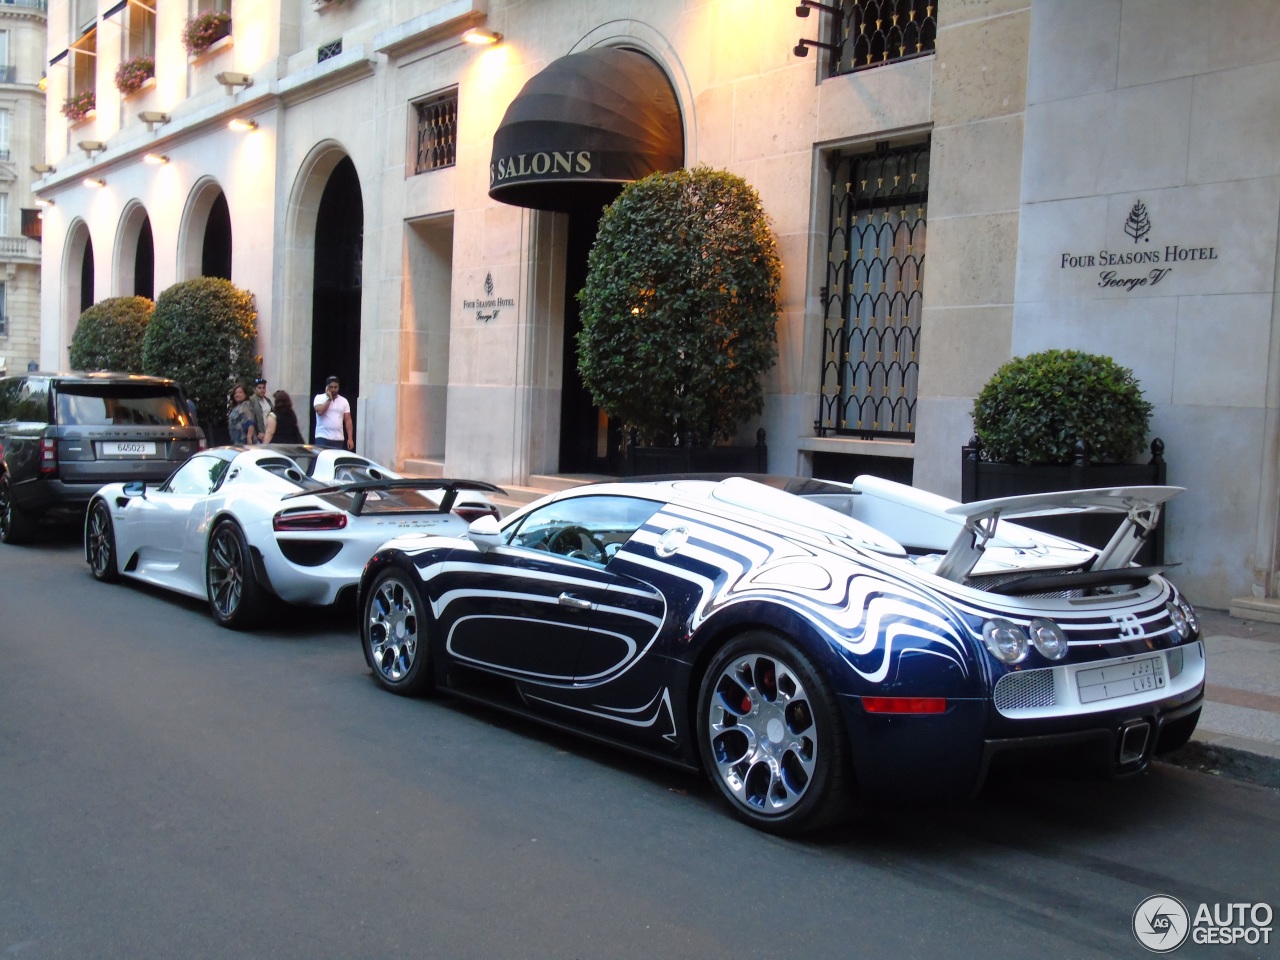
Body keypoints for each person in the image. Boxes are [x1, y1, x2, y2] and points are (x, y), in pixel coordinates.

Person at [313, 375, 353, 450]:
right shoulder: (319, 398)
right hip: (323, 437)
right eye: (331, 387)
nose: (333, 389)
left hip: (338, 438)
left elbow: (348, 420)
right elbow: (320, 411)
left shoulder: (344, 401)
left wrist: (350, 438)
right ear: (327, 387)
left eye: (335, 387)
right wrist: (329, 399)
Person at [251, 377, 273, 442]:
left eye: (264, 388)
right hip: (258, 435)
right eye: (259, 388)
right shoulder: (252, 400)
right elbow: (251, 419)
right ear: (254, 389)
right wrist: (256, 433)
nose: (262, 390)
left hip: (268, 432)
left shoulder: (268, 401)